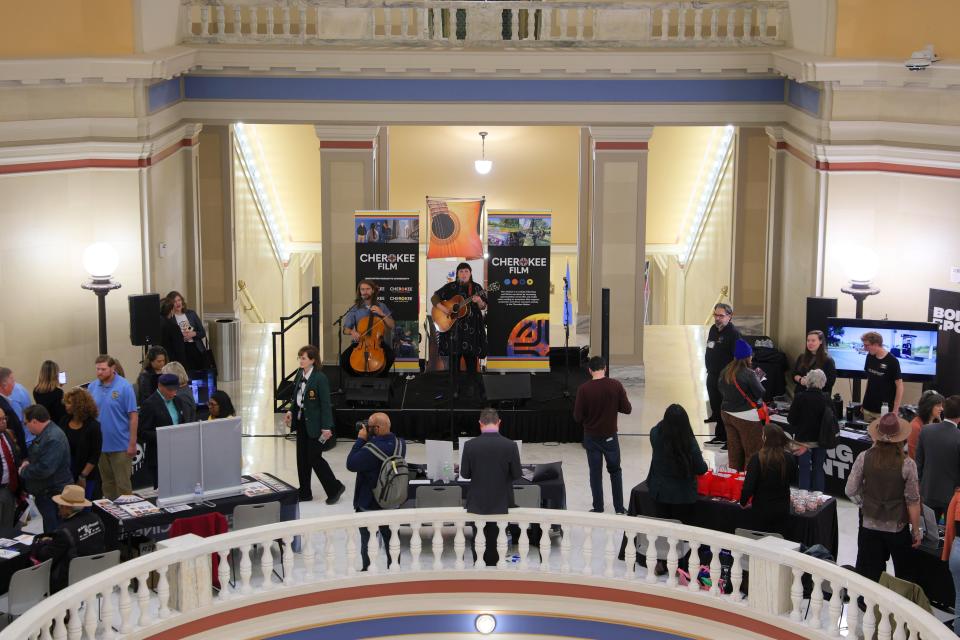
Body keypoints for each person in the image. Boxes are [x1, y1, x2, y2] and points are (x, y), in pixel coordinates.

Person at [845, 413, 922, 583]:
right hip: (897, 525)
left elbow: (850, 490)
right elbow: (913, 501)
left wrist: (864, 503)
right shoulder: (908, 464)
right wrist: (916, 530)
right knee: (903, 572)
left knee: (871, 572)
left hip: (869, 523)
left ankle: (868, 605)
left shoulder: (864, 457)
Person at [284, 345, 346, 504]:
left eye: (303, 358)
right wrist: (291, 411)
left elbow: (325, 404)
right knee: (302, 458)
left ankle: (334, 487)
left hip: (316, 425)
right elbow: (296, 397)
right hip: (301, 421)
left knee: (314, 457)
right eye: (300, 357)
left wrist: (327, 427)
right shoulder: (299, 374)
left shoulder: (320, 378)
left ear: (312, 360)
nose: (301, 360)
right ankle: (304, 491)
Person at [461, 408, 521, 567]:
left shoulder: (469, 445)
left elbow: (465, 474)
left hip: (477, 502)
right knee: (497, 538)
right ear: (499, 423)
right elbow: (516, 474)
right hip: (502, 501)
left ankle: (478, 569)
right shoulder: (510, 445)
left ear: (480, 424)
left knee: (478, 538)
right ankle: (495, 573)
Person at [346, 412, 406, 571]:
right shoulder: (400, 444)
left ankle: (368, 569)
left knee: (367, 541)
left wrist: (360, 439)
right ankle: (394, 568)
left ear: (377, 429)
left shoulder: (369, 450)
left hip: (369, 503)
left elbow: (351, 464)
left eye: (370, 427)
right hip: (392, 501)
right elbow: (384, 446)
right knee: (392, 539)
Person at [574, 355, 631, 514]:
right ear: (605, 368)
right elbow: (627, 409)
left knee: (595, 473)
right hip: (610, 437)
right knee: (615, 471)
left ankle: (598, 508)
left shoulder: (583, 389)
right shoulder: (616, 385)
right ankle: (619, 508)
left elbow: (577, 417)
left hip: (591, 438)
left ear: (590, 370)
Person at [32, 485, 105, 592]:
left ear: (68, 508)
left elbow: (46, 556)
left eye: (60, 505)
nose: (57, 508)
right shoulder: (96, 518)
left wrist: (42, 543)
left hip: (71, 579)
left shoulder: (64, 531)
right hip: (95, 572)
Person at [431, 262, 488, 398]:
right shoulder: (450, 287)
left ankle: (471, 388)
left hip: (472, 330)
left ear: (470, 273)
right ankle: (454, 389)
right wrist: (445, 309)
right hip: (454, 330)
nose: (463, 274)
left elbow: (483, 307)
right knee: (454, 361)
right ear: (457, 274)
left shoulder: (476, 288)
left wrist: (479, 300)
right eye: (461, 271)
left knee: (471, 359)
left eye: (466, 271)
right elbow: (434, 298)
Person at [646, 404, 708, 524]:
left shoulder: (654, 434)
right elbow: (701, 469)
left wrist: (668, 421)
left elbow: (658, 426)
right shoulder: (690, 443)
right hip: (683, 496)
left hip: (659, 491)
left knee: (663, 530)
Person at [87, 355, 138, 500]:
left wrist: (132, 443)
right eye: (97, 369)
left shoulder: (124, 387)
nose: (99, 372)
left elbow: (133, 417)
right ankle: (111, 518)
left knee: (123, 485)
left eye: (103, 369)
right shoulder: (92, 387)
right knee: (107, 484)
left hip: (121, 445)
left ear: (113, 368)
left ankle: (127, 519)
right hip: (101, 446)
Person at [19, 405, 72, 533]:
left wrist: (23, 471)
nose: (26, 427)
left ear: (35, 421)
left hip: (52, 493)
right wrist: (28, 461)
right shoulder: (46, 434)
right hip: (48, 492)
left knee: (54, 532)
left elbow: (45, 469)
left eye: (26, 423)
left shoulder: (52, 438)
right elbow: (38, 456)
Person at [740, 423, 799, 536]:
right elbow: (794, 480)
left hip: (761, 509)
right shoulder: (789, 458)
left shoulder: (757, 458)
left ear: (765, 438)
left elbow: (748, 487)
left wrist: (743, 502)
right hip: (782, 508)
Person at [718, 339, 766, 472]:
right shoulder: (749, 373)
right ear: (748, 356)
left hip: (726, 414)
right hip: (746, 416)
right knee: (752, 452)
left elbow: (720, 389)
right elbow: (760, 392)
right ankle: (748, 485)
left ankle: (734, 483)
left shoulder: (725, 371)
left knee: (734, 452)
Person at [916, 395, 960, 521]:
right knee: (949, 536)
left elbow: (918, 462)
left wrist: (920, 484)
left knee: (929, 534)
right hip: (951, 496)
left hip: (928, 491)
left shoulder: (926, 430)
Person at [138, 374, 187, 488]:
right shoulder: (150, 404)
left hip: (177, 453)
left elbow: (182, 422)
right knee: (163, 488)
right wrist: (164, 435)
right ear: (160, 386)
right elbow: (142, 432)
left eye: (175, 389)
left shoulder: (177, 401)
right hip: (159, 456)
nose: (173, 393)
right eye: (170, 390)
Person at [704, 303, 742, 447]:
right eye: (716, 315)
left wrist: (732, 376)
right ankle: (720, 436)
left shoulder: (734, 334)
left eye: (721, 316)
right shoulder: (713, 329)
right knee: (716, 407)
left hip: (726, 378)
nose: (717, 318)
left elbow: (739, 358)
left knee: (725, 409)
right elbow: (709, 348)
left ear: (729, 317)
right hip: (712, 375)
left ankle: (729, 439)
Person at [340, 279, 396, 376]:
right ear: (359, 291)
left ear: (373, 290)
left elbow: (392, 325)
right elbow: (345, 329)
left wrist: (382, 314)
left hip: (377, 343)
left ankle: (380, 379)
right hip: (359, 343)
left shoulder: (381, 306)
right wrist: (353, 332)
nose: (365, 292)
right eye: (362, 289)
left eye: (367, 289)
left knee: (390, 356)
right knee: (344, 359)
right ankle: (357, 379)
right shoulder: (355, 308)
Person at [788, 368, 830, 492]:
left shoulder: (800, 397)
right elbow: (832, 421)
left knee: (804, 468)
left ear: (808, 381)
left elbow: (791, 420)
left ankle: (802, 498)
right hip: (821, 441)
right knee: (818, 468)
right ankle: (819, 499)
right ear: (823, 382)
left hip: (802, 441)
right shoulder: (826, 398)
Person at [61, 387, 103, 500]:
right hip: (67, 473)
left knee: (84, 506)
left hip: (86, 474)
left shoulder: (93, 426)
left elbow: (95, 455)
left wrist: (83, 476)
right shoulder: (64, 421)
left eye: (69, 403)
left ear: (78, 405)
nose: (66, 405)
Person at [860, 331, 903, 422]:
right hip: (868, 408)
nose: (864, 348)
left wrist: (895, 410)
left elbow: (900, 386)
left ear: (876, 344)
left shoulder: (892, 361)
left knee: (882, 436)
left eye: (866, 345)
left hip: (884, 411)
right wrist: (864, 403)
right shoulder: (869, 357)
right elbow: (870, 380)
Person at [161, 291, 208, 372]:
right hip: (182, 350)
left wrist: (194, 333)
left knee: (200, 372)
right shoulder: (170, 319)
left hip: (195, 347)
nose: (178, 303)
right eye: (174, 302)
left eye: (179, 300)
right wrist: (180, 336)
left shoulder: (191, 314)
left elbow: (202, 332)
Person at [791, 330, 837, 396]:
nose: (810, 343)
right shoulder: (801, 357)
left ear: (820, 341)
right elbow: (794, 374)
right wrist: (801, 380)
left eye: (813, 340)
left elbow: (830, 383)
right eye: (808, 340)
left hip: (818, 397)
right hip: (800, 395)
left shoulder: (828, 360)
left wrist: (809, 382)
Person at [0, 411, 22, 528]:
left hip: (10, 488)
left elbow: (15, 459)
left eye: (4, 418)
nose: (4, 422)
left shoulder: (6, 435)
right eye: (0, 419)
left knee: (7, 526)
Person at [907, 390, 944, 460]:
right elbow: (914, 456)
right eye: (938, 406)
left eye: (942, 406)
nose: (942, 409)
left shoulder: (937, 423)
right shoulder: (915, 426)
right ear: (928, 407)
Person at [33, 360, 66, 427]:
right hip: (57, 426)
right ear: (55, 375)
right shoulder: (58, 392)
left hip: (44, 425)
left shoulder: (36, 391)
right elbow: (61, 415)